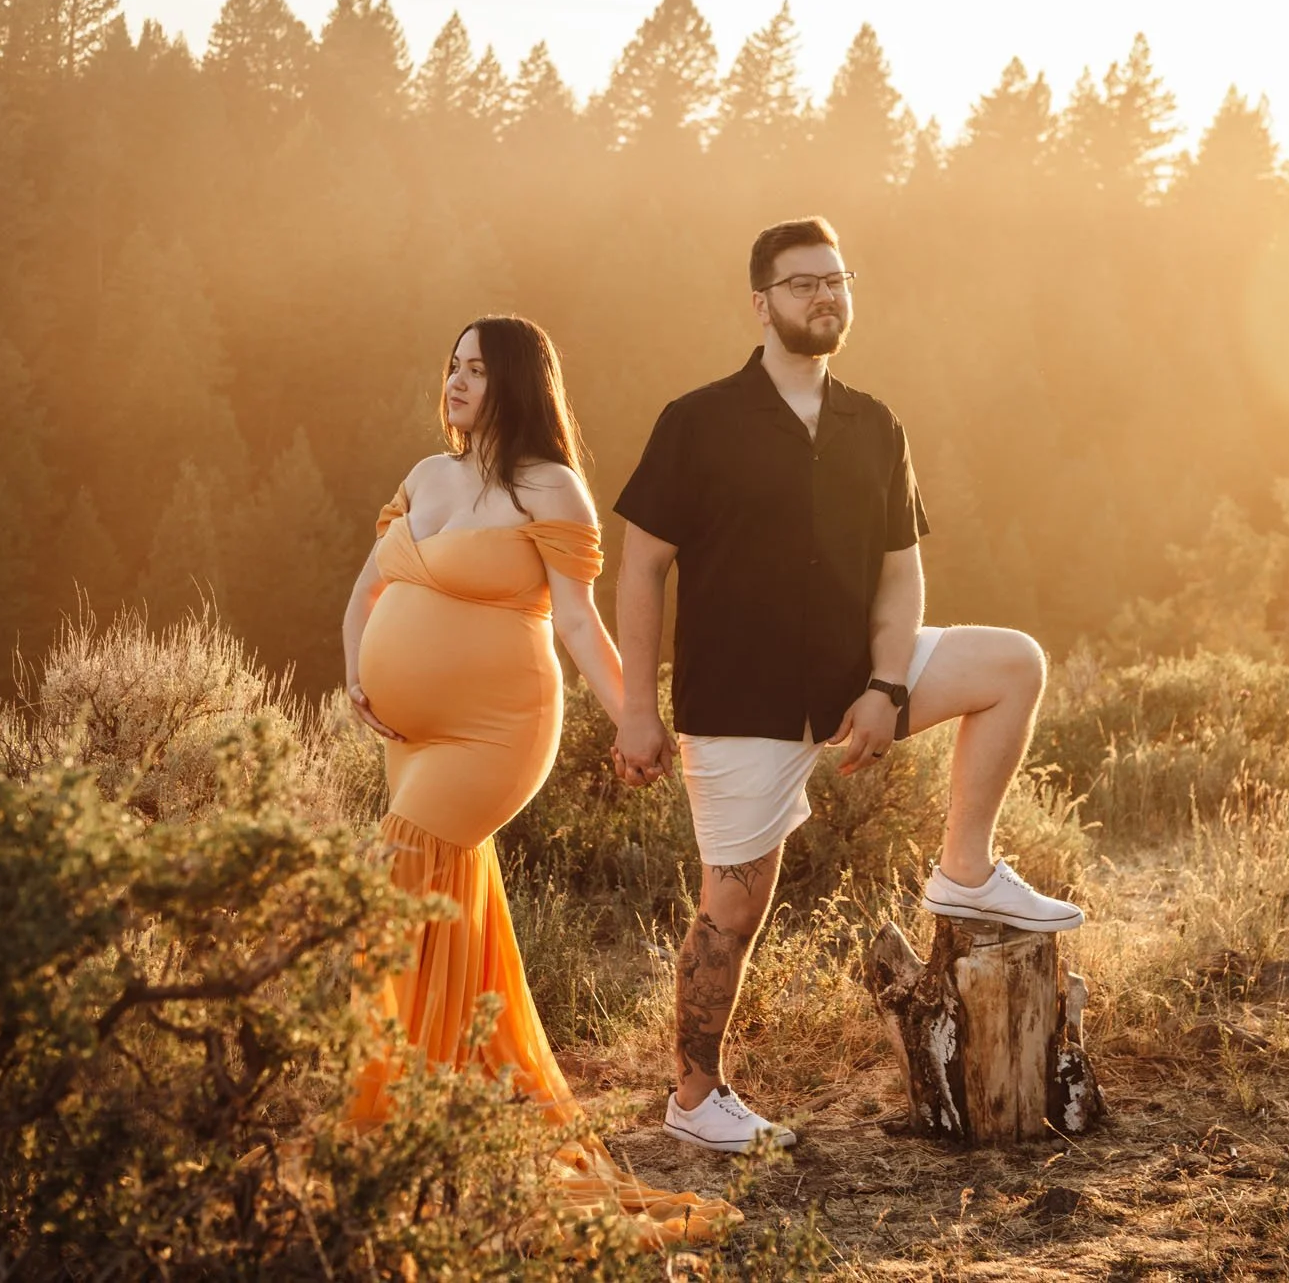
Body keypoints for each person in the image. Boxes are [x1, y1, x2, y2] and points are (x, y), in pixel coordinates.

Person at [610, 216, 1086, 1154]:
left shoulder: (876, 424)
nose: (825, 296)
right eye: (802, 283)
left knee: (1012, 663)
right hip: (738, 698)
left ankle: (964, 872)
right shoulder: (697, 420)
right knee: (734, 905)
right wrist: (635, 707)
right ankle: (695, 1099)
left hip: (849, 672)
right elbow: (640, 567)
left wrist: (883, 684)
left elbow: (902, 571)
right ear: (761, 303)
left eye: (837, 280)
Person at [339, 315, 736, 1244]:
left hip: (495, 731)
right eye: (451, 365)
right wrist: (357, 673)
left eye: (478, 369)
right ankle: (440, 1128)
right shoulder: (426, 477)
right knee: (441, 914)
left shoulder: (548, 486)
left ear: (516, 383)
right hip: (407, 735)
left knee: (391, 893)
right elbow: (363, 594)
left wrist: (635, 718)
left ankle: (390, 1122)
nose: (457, 382)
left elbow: (577, 625)